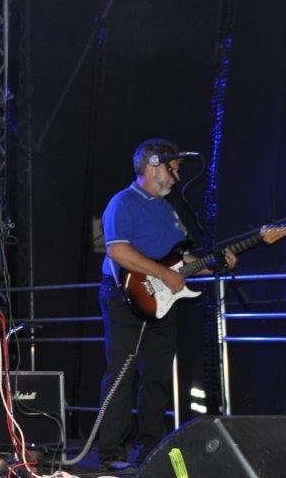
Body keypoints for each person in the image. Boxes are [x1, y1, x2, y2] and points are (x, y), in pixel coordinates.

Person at [97, 138, 236, 471]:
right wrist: (163, 273)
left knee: (157, 374)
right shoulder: (124, 201)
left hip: (162, 297)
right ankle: (111, 452)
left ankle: (151, 448)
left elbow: (182, 260)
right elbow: (117, 250)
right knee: (122, 372)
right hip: (125, 295)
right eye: (173, 169)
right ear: (153, 166)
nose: (177, 177)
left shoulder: (167, 209)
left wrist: (215, 264)